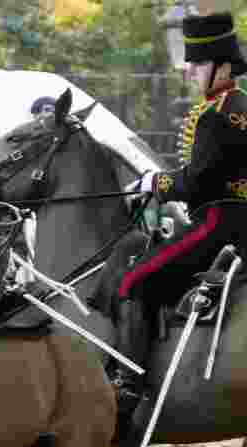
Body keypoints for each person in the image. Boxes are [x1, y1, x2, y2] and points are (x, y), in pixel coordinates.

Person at [105, 11, 247, 422]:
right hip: (232, 220)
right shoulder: (241, 106)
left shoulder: (218, 113)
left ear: (221, 64)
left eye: (197, 62)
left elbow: (200, 181)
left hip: (219, 223)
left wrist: (154, 183)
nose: (188, 71)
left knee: (135, 280)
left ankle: (128, 387)